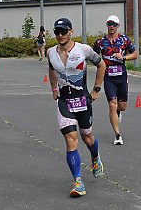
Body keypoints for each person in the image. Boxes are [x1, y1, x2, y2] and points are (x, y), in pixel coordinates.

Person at [47, 18, 106, 197]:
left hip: (82, 101)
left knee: (87, 138)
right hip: (64, 103)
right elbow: (51, 70)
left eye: (63, 31)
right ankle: (78, 182)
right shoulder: (51, 52)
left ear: (71, 31)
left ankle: (95, 158)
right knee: (71, 141)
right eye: (57, 32)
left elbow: (101, 64)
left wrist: (96, 89)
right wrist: (54, 89)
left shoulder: (84, 49)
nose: (60, 35)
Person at [93, 15, 137, 145]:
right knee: (112, 104)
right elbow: (94, 57)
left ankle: (119, 111)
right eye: (109, 24)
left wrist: (123, 57)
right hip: (108, 78)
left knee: (122, 107)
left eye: (114, 24)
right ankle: (117, 135)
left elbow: (135, 55)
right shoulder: (100, 42)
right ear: (106, 25)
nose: (111, 26)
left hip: (121, 76)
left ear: (118, 26)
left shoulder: (124, 40)